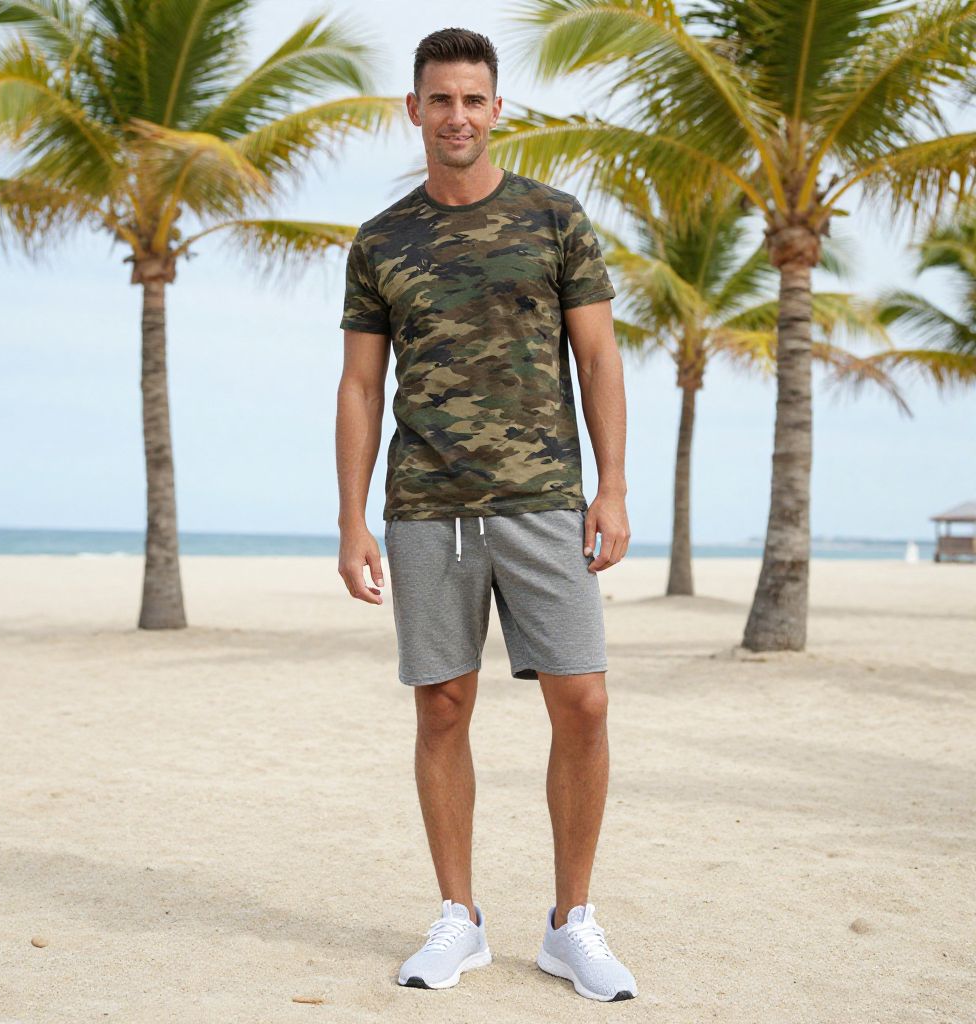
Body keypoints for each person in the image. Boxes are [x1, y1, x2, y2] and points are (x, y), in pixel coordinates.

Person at [335, 27, 636, 1003]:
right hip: (427, 506)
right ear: (414, 110)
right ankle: (457, 919)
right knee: (442, 706)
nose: (456, 116)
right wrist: (351, 521)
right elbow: (359, 385)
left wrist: (612, 486)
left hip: (543, 499)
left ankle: (570, 923)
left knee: (583, 702)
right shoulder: (381, 240)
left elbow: (598, 356)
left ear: (496, 109)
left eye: (472, 99)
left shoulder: (554, 218)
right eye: (440, 99)